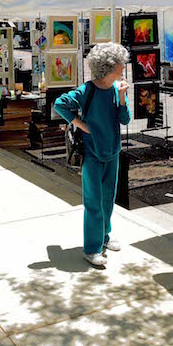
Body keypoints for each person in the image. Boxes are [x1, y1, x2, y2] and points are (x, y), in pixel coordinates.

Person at [55, 43, 130, 267]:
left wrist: (124, 98)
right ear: (110, 66)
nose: (124, 66)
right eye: (121, 63)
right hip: (92, 154)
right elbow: (60, 104)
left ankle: (105, 237)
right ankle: (92, 248)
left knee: (107, 200)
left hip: (112, 152)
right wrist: (80, 124)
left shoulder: (117, 89)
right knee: (94, 203)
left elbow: (125, 119)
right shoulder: (86, 91)